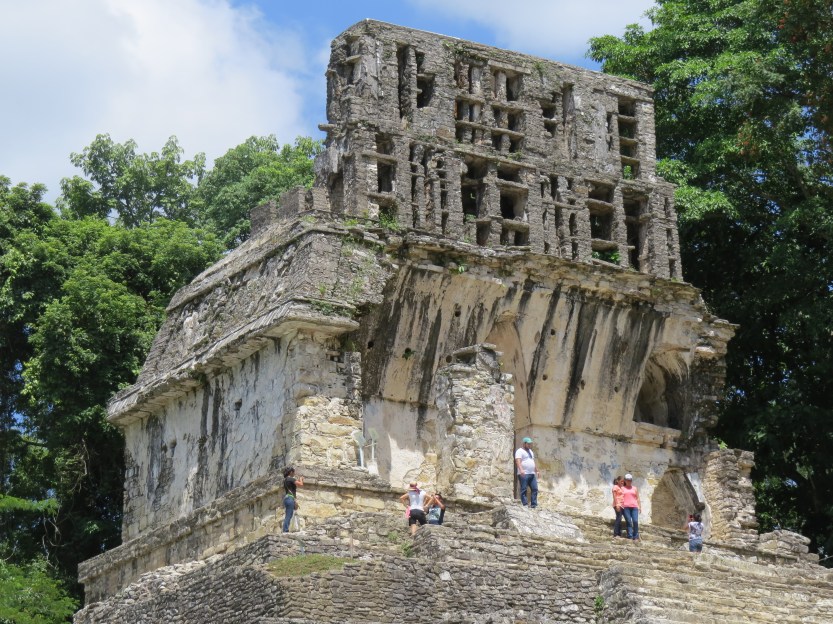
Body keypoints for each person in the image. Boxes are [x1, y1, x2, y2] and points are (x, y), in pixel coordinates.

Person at [514, 437, 540, 508]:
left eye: (530, 444)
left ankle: (534, 505)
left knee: (535, 489)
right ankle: (524, 504)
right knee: (524, 489)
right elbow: (518, 461)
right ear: (524, 443)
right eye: (528, 444)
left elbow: (532, 462)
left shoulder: (530, 451)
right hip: (524, 473)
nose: (529, 445)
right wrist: (521, 470)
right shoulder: (519, 451)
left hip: (532, 473)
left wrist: (536, 470)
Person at [282, 466, 303, 533]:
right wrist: (301, 479)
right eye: (293, 472)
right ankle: (285, 530)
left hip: (288, 498)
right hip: (290, 498)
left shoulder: (285, 480)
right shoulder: (291, 479)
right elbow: (300, 484)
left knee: (290, 514)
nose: (294, 474)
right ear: (291, 472)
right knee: (289, 515)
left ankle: (290, 528)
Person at [621, 473, 641, 540]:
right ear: (625, 481)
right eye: (627, 480)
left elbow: (638, 498)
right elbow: (620, 497)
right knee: (629, 521)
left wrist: (640, 507)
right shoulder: (622, 488)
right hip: (626, 507)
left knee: (635, 521)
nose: (629, 481)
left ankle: (636, 536)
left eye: (630, 480)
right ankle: (630, 536)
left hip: (634, 507)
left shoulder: (635, 488)